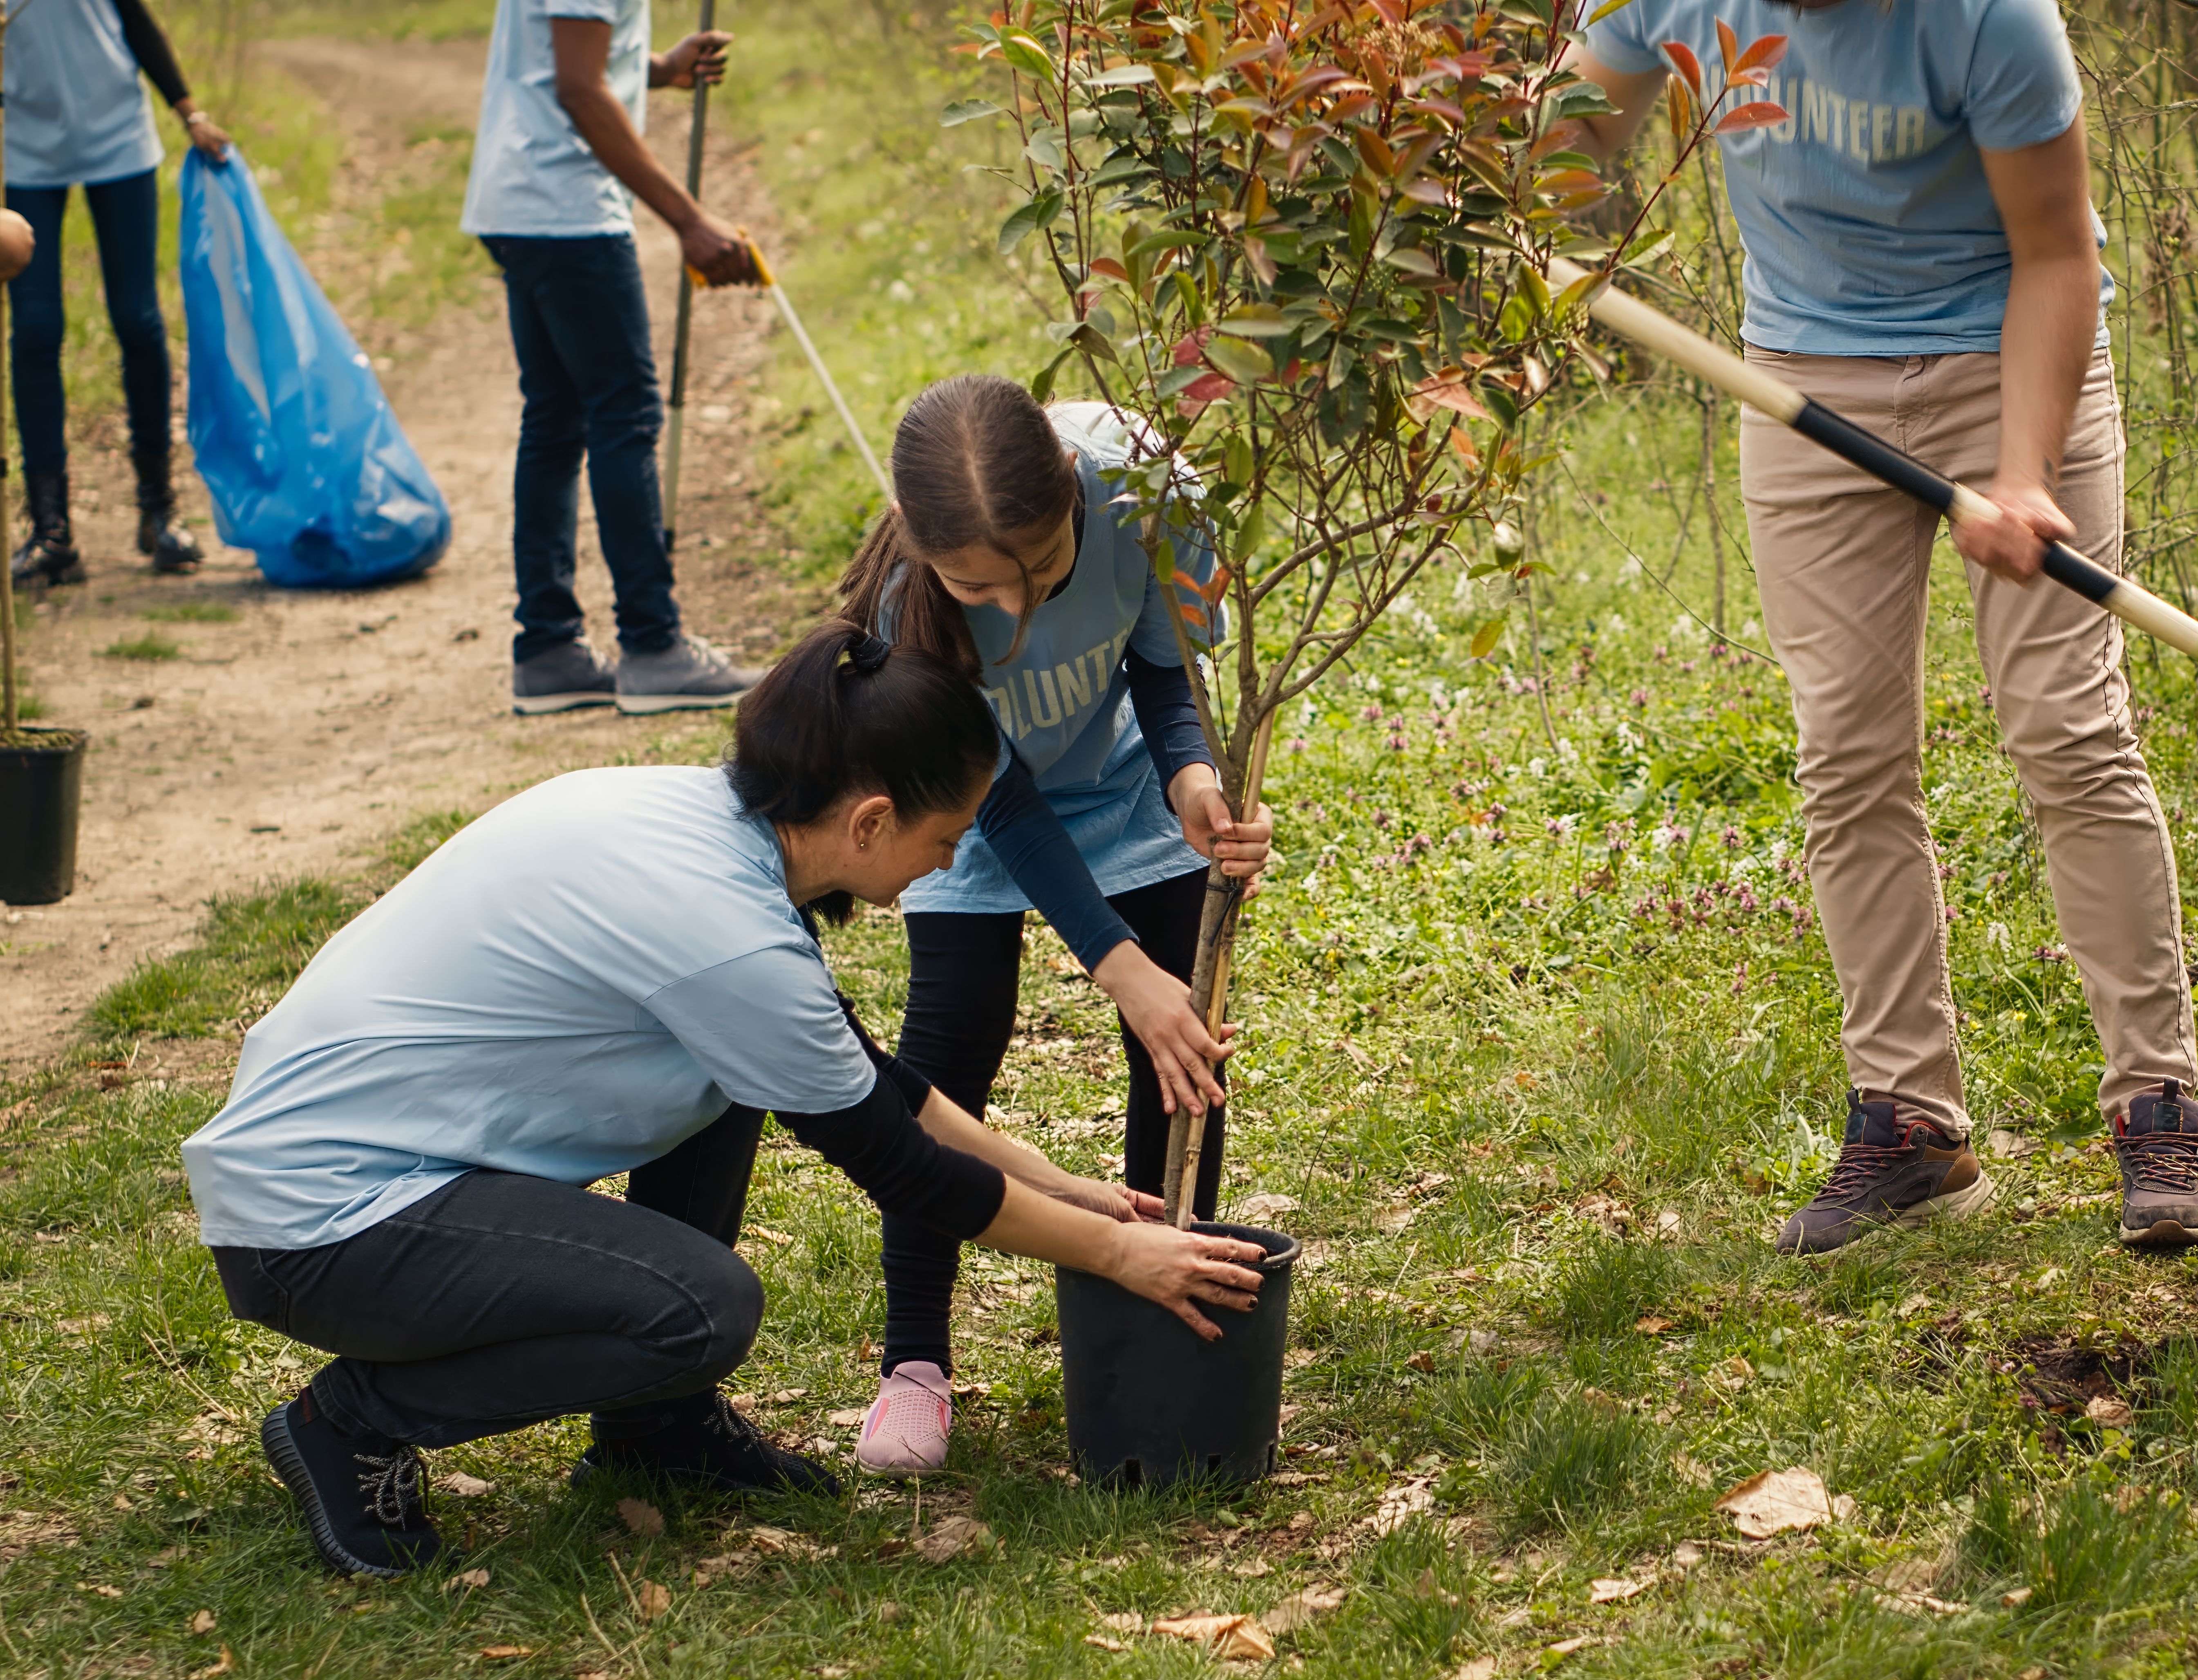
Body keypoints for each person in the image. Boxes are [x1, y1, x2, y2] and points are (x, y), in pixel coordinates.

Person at [181, 622, 1267, 1577]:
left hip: (369, 1173)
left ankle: (654, 1429)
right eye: (945, 838)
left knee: (740, 1079)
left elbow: (868, 1081)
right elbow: (904, 1170)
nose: (944, 865)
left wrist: (1073, 1189)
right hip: (322, 1225)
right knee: (702, 1309)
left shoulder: (705, 828)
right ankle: (351, 1421)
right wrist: (1119, 1256)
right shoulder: (728, 936)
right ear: (871, 821)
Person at [1568, 0, 2198, 1252]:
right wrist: (1464, 220)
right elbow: (1566, 149)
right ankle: (1912, 1123)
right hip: (1801, 377)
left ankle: (2157, 1105)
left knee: (2067, 731)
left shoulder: (1989, 19)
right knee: (1848, 752)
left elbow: (2055, 254)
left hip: (2002, 353)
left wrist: (2025, 472)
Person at [828, 376, 1271, 1474]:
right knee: (948, 1052)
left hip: (1122, 784)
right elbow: (1002, 798)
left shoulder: (1147, 491)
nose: (1016, 606)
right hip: (971, 806)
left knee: (1182, 1052)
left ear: (1073, 486)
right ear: (919, 542)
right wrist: (1117, 965)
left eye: (1042, 569)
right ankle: (914, 1362)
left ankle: (1168, 1294)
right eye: (981, 586)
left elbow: (1162, 669)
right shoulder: (904, 607)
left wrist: (1192, 778)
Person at [458, 0, 767, 714]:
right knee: (624, 415)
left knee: (556, 420)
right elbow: (579, 87)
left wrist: (657, 69)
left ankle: (548, 650)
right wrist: (688, 220)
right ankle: (653, 646)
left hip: (524, 201)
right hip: (564, 211)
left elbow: (569, 52)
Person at [4, 0, 226, 587]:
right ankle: (52, 531)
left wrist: (190, 112)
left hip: (118, 139)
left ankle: (159, 510)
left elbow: (135, 20)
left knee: (137, 320)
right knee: (36, 328)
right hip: (24, 146)